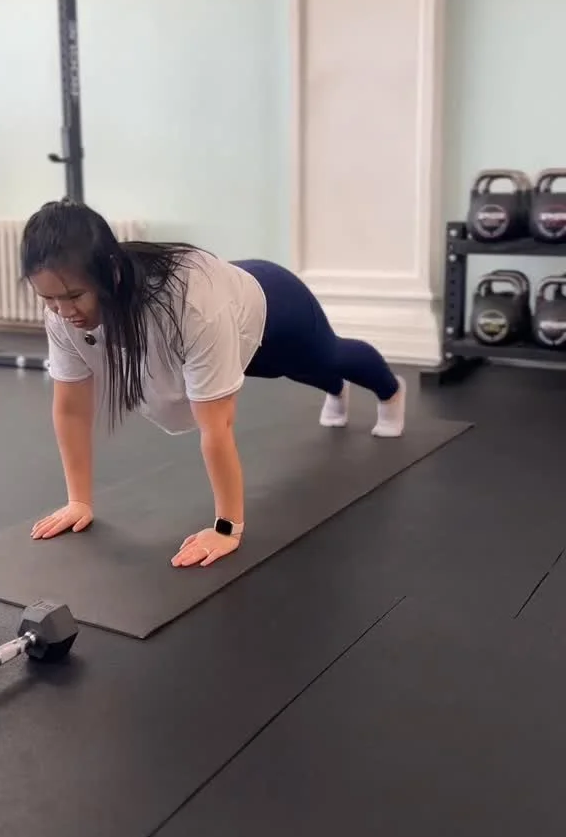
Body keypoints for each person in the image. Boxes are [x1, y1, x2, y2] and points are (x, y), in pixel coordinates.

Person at [23, 199, 406, 568]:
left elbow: (217, 424)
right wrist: (78, 502)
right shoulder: (61, 315)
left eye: (75, 296)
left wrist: (227, 528)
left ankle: (390, 391)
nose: (64, 311)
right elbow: (71, 409)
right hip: (229, 318)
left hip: (277, 306)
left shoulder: (192, 303)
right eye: (49, 299)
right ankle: (335, 389)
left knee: (325, 357)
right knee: (291, 371)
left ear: (111, 272)